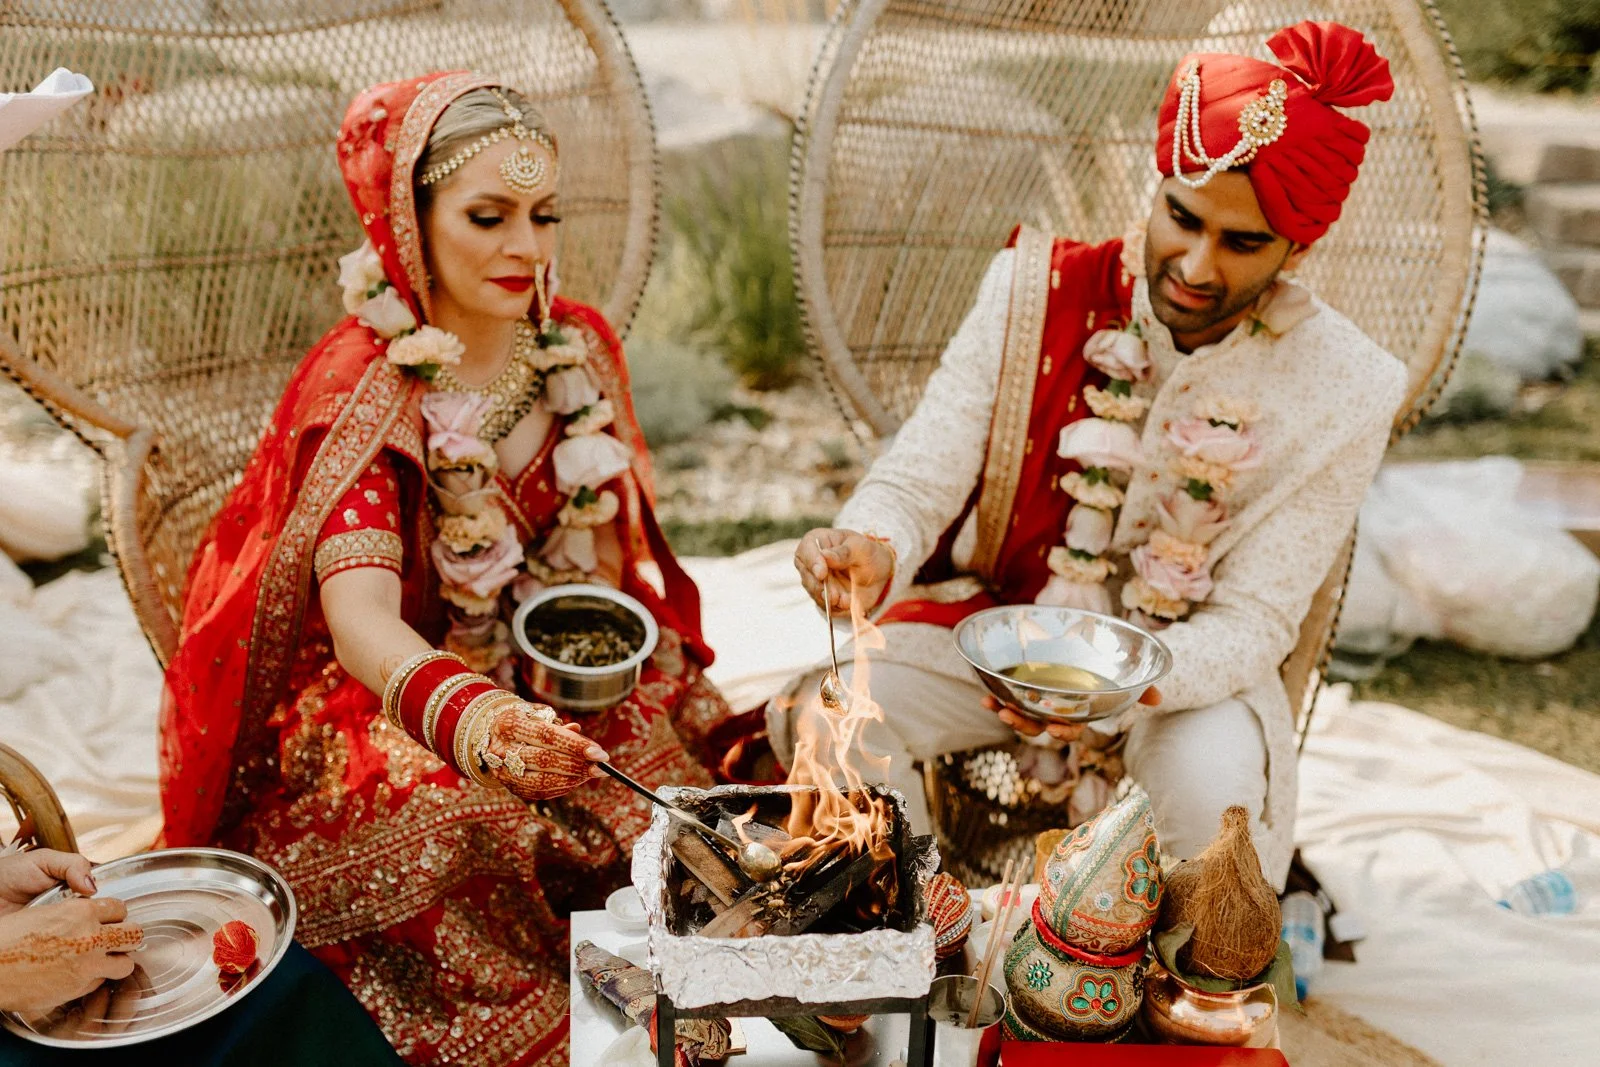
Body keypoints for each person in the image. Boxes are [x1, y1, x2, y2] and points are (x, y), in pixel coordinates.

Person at [159, 73, 751, 1065]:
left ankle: (694, 974)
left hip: (534, 654)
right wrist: (480, 719)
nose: (528, 246)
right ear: (407, 219)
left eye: (543, 213)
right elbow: (360, 622)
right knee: (471, 817)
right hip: (392, 691)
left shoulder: (576, 347)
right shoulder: (366, 381)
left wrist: (580, 679)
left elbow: (600, 568)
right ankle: (576, 1013)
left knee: (657, 763)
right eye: (488, 216)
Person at [773, 21, 1405, 889]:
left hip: (1182, 675)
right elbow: (919, 478)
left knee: (1209, 797)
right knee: (832, 716)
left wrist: (1118, 688)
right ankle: (911, 952)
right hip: (1003, 639)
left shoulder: (1350, 385)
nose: (1194, 263)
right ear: (1155, 190)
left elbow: (1258, 621)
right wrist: (872, 542)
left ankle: (1167, 1015)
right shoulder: (1036, 290)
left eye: (1242, 242)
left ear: (1300, 248)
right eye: (1181, 217)